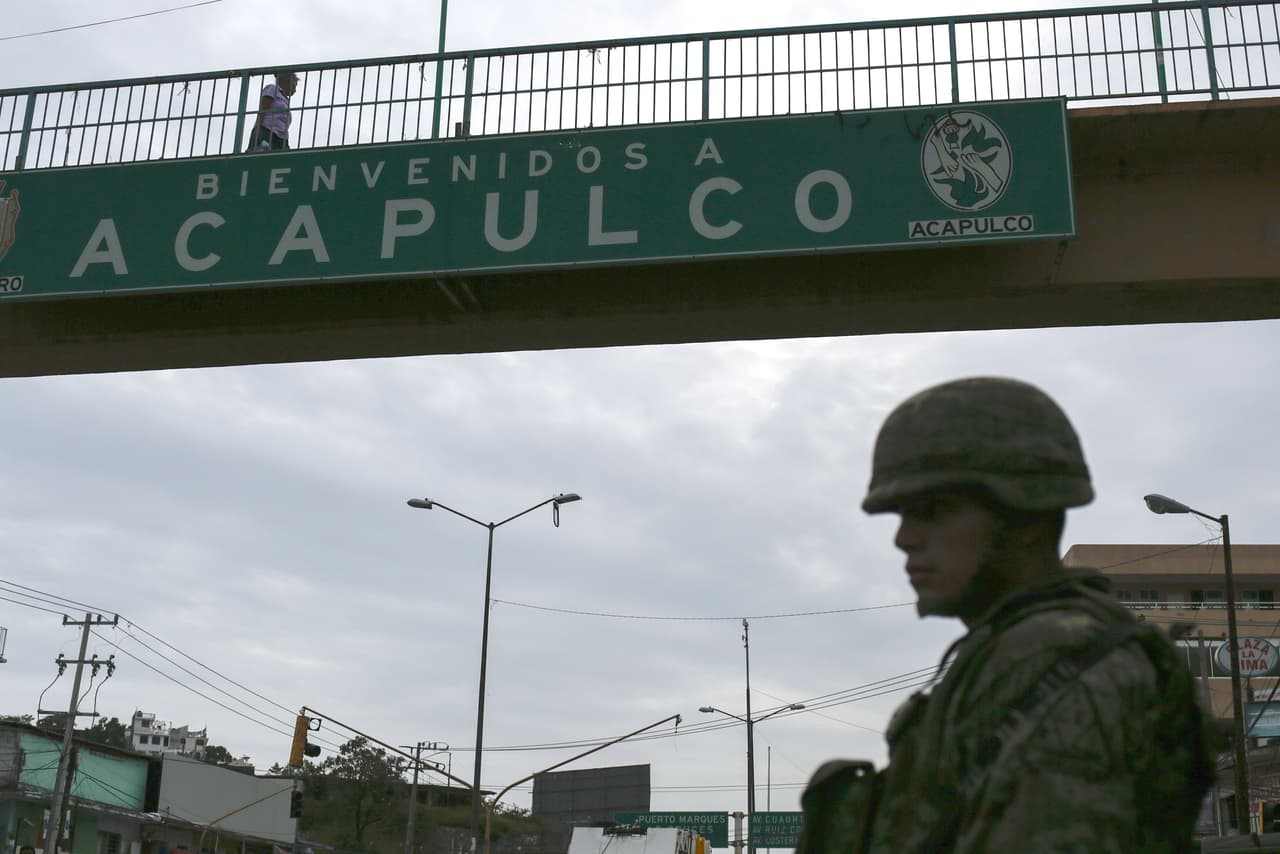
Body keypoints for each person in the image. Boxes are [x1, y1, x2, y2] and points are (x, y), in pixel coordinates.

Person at [800, 376, 1213, 853]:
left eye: (935, 509)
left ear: (1026, 518)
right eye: (901, 514)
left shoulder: (1061, 660)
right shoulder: (1017, 654)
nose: (904, 538)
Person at [249, 70, 298, 152]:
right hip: (267, 132)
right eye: (294, 85)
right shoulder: (272, 89)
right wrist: (258, 128)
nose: (295, 90)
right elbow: (263, 108)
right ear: (287, 81)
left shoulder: (285, 99)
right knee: (262, 153)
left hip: (281, 137)